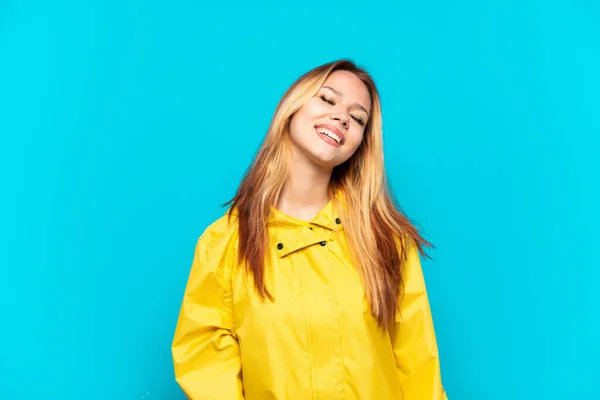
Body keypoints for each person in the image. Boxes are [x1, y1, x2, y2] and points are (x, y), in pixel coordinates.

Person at [171, 59, 448, 399]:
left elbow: (418, 362)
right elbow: (206, 362)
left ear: (361, 143)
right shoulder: (225, 244)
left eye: (358, 118)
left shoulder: (386, 239)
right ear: (293, 106)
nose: (342, 117)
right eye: (327, 99)